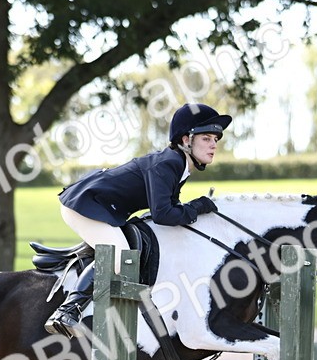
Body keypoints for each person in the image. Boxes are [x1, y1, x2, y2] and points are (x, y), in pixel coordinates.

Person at [43, 102, 232, 337]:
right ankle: (67, 311)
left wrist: (192, 209)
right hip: (84, 204)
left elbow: (168, 210)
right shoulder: (169, 163)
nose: (214, 144)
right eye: (206, 138)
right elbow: (163, 214)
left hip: (102, 207)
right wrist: (196, 207)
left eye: (216, 139)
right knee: (121, 255)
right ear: (186, 140)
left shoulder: (179, 165)